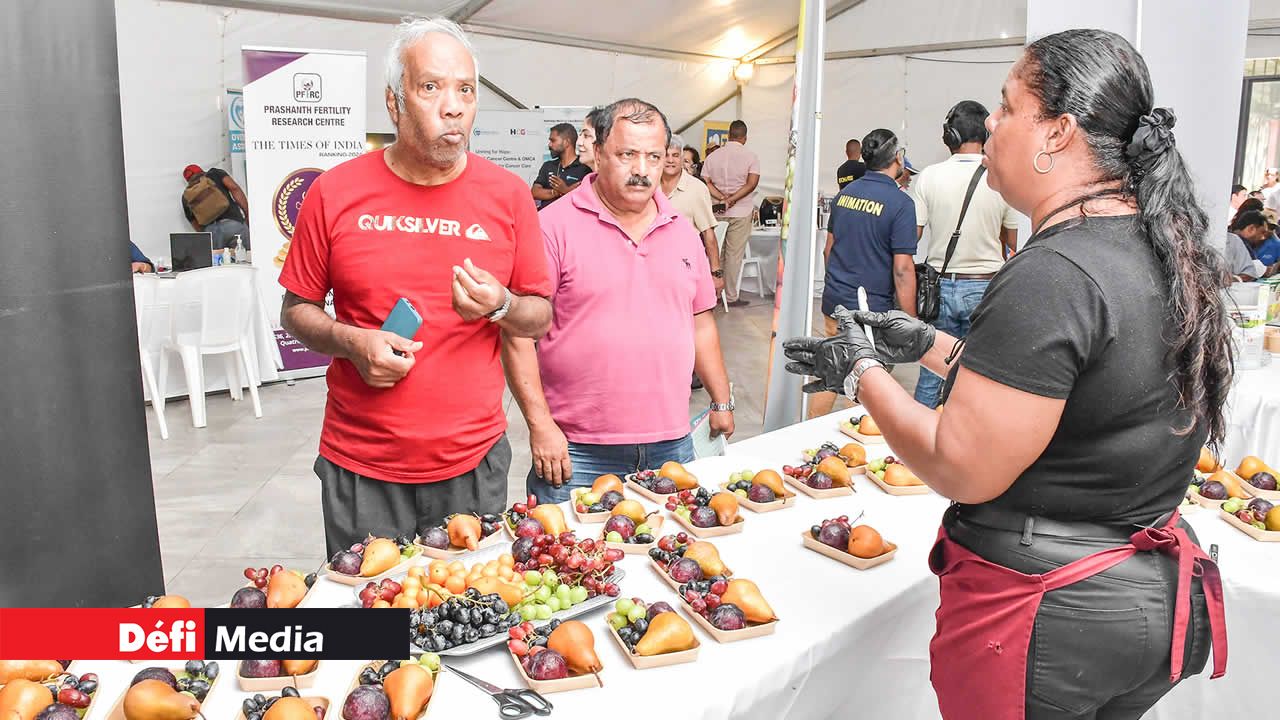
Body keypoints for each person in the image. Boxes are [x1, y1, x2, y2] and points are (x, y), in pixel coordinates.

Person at [784, 29, 1227, 719]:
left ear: (1058, 132)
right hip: (1146, 602)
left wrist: (860, 374)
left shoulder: (1054, 273)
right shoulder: (1155, 247)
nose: (990, 123)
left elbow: (963, 468)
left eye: (1008, 105)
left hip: (1051, 608)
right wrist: (930, 345)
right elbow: (1065, 397)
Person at [278, 17, 553, 557]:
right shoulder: (335, 193)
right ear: (393, 101)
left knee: (465, 627)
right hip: (361, 467)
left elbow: (538, 316)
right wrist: (353, 342)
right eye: (430, 87)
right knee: (374, 629)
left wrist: (500, 306)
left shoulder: (509, 196)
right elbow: (296, 311)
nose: (452, 106)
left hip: (472, 465)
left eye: (465, 90)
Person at [503, 98, 735, 504]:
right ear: (597, 153)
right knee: (569, 562)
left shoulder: (681, 230)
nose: (642, 169)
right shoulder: (552, 227)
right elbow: (517, 336)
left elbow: (700, 322)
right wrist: (540, 426)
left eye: (654, 156)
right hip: (577, 451)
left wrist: (721, 399)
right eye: (627, 154)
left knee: (670, 559)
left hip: (672, 445)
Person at [911, 100, 1019, 408]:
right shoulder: (1000, 176)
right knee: (981, 374)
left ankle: (918, 447)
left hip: (938, 288)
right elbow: (1010, 242)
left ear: (951, 136)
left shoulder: (928, 177)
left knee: (932, 373)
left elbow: (914, 235)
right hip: (985, 287)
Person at [806, 128, 915, 419]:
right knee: (863, 380)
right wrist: (910, 319)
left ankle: (809, 435)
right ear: (897, 158)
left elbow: (828, 250)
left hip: (834, 301)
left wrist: (839, 285)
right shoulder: (901, 204)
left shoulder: (844, 196)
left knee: (833, 369)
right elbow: (903, 269)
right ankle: (850, 446)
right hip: (870, 310)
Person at [701, 120, 760, 306]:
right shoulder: (751, 157)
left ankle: (715, 294)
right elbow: (752, 184)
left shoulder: (713, 156)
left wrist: (721, 198)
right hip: (741, 211)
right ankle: (731, 296)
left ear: (728, 135)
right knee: (734, 255)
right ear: (745, 137)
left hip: (717, 210)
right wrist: (733, 199)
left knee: (716, 252)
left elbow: (705, 180)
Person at [661, 133, 725, 295]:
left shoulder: (696, 188)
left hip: (686, 267)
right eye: (665, 155)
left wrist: (716, 273)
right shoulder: (650, 185)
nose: (670, 160)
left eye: (675, 155)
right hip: (656, 267)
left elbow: (708, 234)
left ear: (682, 159)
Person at [180, 164, 250, 250]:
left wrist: (207, 233)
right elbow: (234, 188)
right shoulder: (215, 173)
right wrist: (247, 214)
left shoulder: (186, 196)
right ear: (201, 171)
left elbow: (194, 222)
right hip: (233, 224)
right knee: (246, 257)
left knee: (218, 262)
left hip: (212, 233)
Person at [532, 123, 591, 208]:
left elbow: (587, 198)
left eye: (553, 140)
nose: (549, 145)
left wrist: (565, 190)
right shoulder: (548, 166)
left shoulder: (585, 168)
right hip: (547, 219)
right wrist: (557, 192)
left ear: (566, 142)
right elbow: (535, 192)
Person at [575, 106, 604, 171]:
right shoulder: (588, 180)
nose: (578, 142)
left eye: (586, 135)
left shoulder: (618, 180)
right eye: (580, 135)